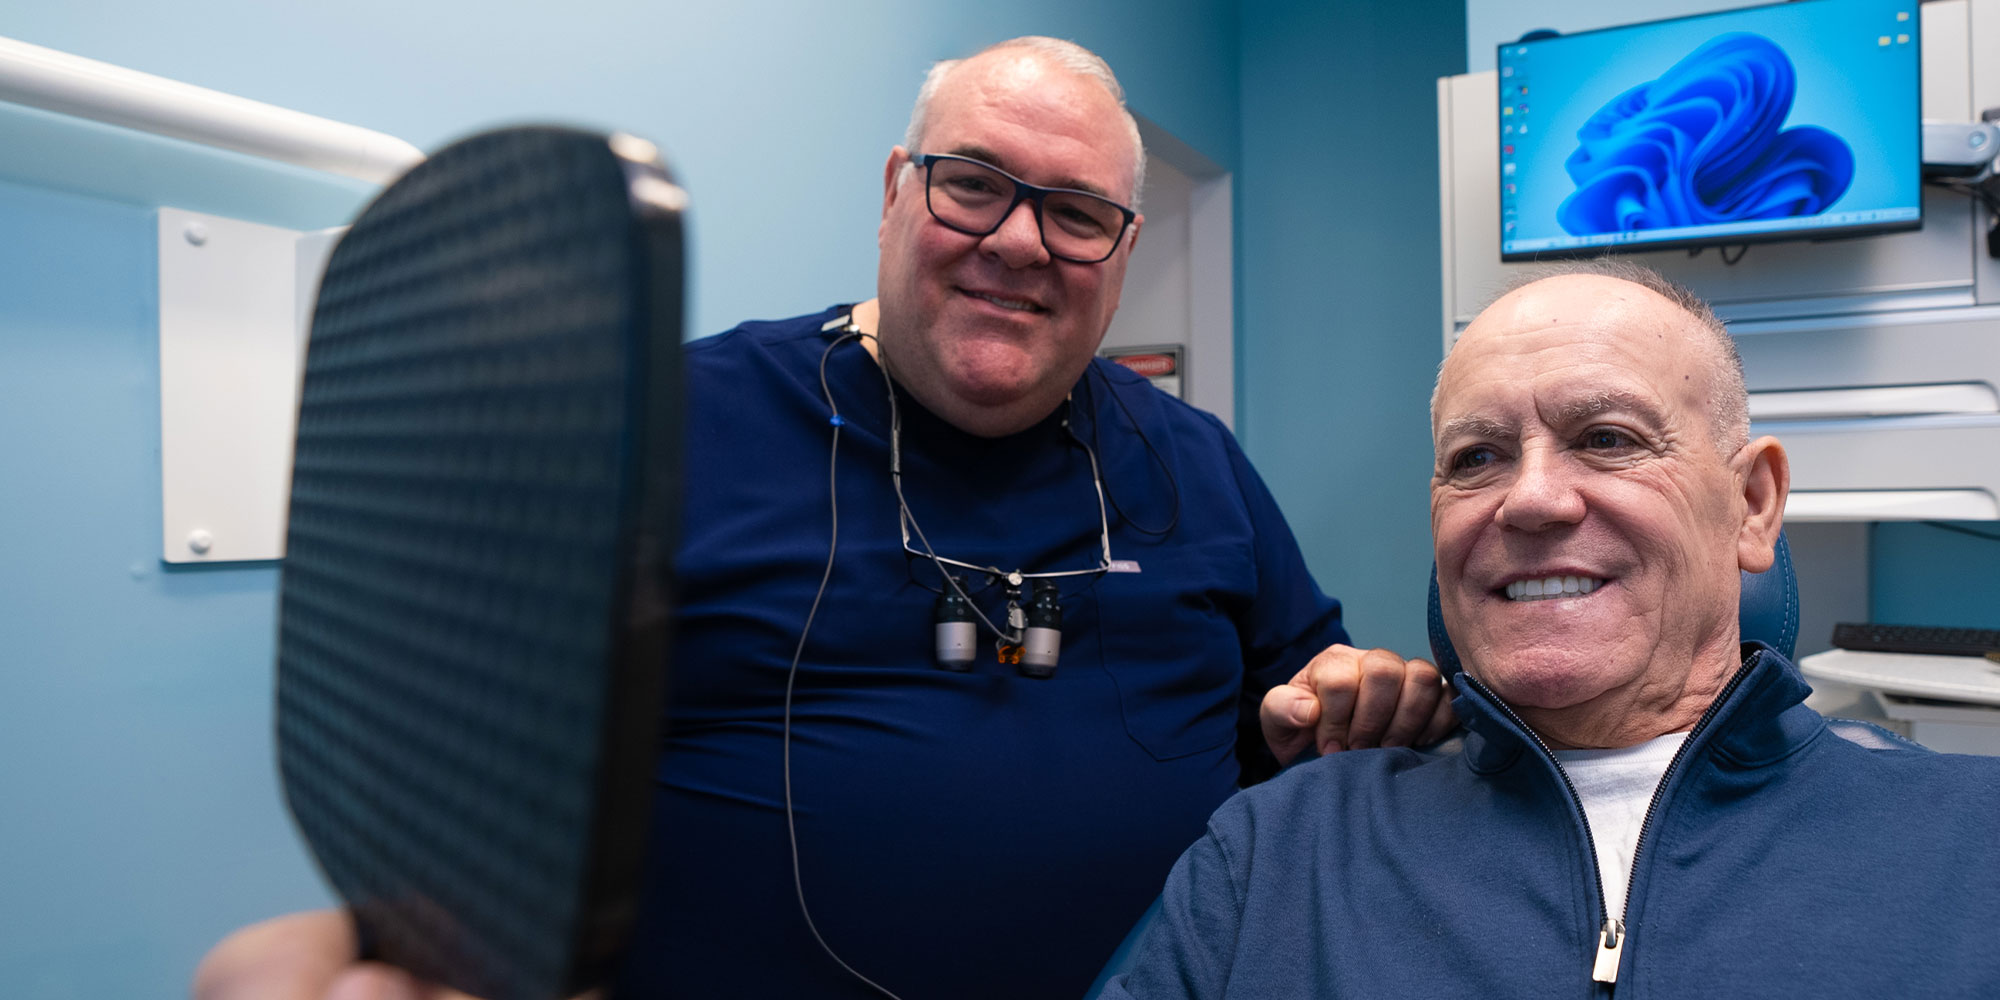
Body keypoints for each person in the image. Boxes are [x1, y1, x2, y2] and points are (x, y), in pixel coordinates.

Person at [196, 37, 1451, 1000]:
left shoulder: (1199, 466)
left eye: (1075, 213)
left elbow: (1300, 706)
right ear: (897, 190)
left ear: (1120, 254)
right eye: (973, 185)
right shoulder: (663, 426)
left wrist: (1346, 698)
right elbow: (465, 786)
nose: (1019, 242)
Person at [1102, 261, 2000, 999]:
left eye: (1607, 438)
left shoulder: (1971, 844)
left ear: (1752, 506)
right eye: (1476, 458)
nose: (1528, 498)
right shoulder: (1278, 852)